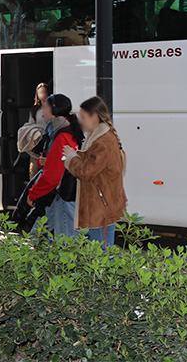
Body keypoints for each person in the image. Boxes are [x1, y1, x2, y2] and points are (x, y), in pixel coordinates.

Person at [63, 96, 128, 249]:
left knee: (100, 258)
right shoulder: (100, 138)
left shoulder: (102, 141)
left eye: (83, 117)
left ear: (95, 117)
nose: (81, 121)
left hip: (100, 209)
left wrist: (72, 157)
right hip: (100, 206)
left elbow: (86, 171)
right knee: (100, 257)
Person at [26, 93, 82, 238]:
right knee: (38, 237)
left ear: (54, 110)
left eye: (45, 107)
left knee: (64, 243)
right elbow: (53, 162)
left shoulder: (61, 135)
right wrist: (41, 162)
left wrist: (33, 194)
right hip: (59, 194)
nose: (42, 111)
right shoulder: (65, 130)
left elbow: (53, 174)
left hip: (60, 195)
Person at [18, 83, 51, 178]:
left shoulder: (52, 109)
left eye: (44, 92)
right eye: (40, 93)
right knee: (33, 168)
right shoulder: (34, 110)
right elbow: (31, 124)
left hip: (48, 139)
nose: (42, 95)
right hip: (37, 140)